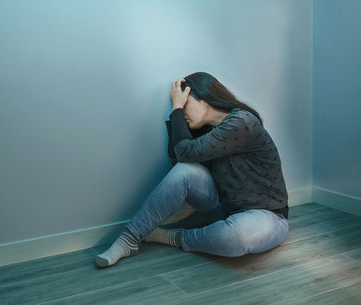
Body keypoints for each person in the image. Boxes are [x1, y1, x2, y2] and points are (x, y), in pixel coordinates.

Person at [94, 72, 289, 268]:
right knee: (185, 170)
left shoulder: (242, 122)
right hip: (226, 211)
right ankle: (129, 239)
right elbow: (178, 160)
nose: (181, 112)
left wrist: (177, 109)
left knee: (240, 235)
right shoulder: (209, 131)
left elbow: (185, 151)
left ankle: (173, 237)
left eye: (184, 104)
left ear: (203, 98)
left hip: (267, 217)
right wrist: (179, 113)